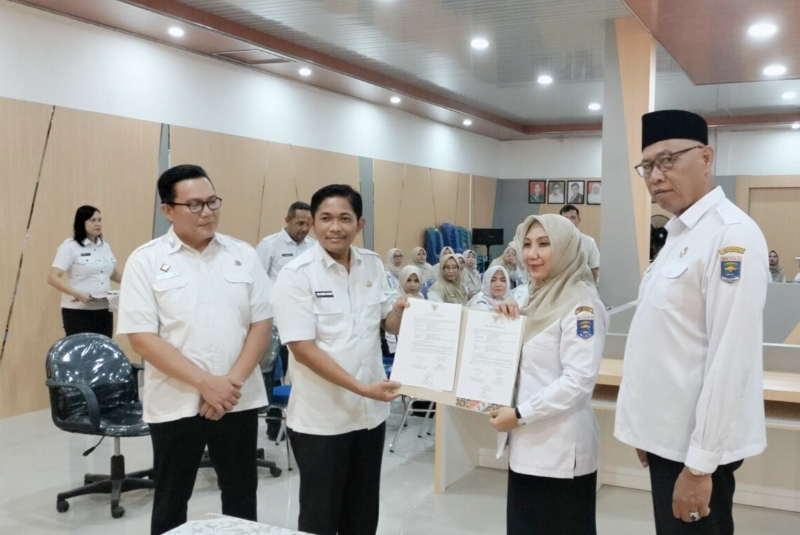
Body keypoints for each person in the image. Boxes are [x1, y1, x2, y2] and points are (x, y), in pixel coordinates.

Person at [615, 110, 769, 534]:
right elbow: (664, 341)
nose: (655, 176)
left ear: (706, 157)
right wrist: (646, 432)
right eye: (647, 166)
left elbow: (730, 358)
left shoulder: (730, 235)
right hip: (668, 440)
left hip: (696, 451)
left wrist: (700, 466)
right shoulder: (679, 234)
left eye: (667, 160)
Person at [117, 164, 273, 535]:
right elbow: (142, 337)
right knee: (171, 499)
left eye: (212, 202)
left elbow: (261, 323)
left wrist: (228, 386)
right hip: (176, 402)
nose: (207, 212)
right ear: (167, 210)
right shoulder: (146, 260)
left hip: (236, 400)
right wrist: (206, 384)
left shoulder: (242, 253)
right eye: (195, 205)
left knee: (241, 496)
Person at [271, 184, 407, 535]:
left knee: (362, 514)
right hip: (322, 420)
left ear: (359, 224)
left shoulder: (372, 264)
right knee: (320, 517)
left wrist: (402, 310)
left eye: (345, 219)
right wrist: (362, 388)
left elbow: (388, 323)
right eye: (326, 218)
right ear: (313, 223)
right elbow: (303, 349)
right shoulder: (296, 275)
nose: (335, 227)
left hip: (370, 416)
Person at [489, 213, 607, 535]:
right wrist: (505, 322)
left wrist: (519, 414)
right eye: (527, 244)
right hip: (526, 448)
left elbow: (578, 381)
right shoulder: (533, 297)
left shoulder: (582, 305)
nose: (532, 254)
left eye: (544, 244)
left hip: (560, 453)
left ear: (566, 248)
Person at [48, 205, 121, 338]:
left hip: (104, 309)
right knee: (82, 349)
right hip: (78, 310)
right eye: (92, 220)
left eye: (99, 220)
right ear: (82, 222)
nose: (97, 224)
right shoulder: (69, 247)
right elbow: (53, 278)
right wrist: (77, 294)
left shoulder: (105, 246)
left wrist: (137, 282)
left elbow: (113, 274)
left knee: (103, 347)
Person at [256, 201, 315, 283]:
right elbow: (257, 279)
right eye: (300, 223)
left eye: (308, 224)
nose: (305, 229)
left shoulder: (313, 246)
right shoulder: (268, 245)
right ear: (288, 220)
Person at [559, 205, 600, 283]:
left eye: (573, 218)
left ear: (579, 220)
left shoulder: (589, 241)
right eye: (565, 218)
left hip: (583, 285)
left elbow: (594, 268)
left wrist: (590, 287)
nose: (569, 221)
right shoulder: (555, 241)